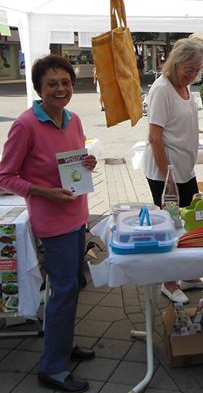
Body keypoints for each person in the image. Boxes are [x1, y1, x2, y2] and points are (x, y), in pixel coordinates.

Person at [0, 55, 97, 393]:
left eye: (65, 82)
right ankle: (52, 369)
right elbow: (6, 176)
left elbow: (77, 162)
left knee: (74, 285)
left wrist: (89, 161)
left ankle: (63, 346)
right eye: (52, 83)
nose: (60, 89)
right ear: (39, 88)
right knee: (63, 289)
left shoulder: (73, 119)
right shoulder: (25, 124)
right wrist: (43, 192)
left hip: (78, 214)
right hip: (51, 219)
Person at [144, 38, 203, 304]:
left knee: (190, 224)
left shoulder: (185, 88)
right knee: (171, 228)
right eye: (189, 69)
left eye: (197, 69)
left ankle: (189, 275)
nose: (193, 74)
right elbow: (154, 137)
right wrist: (168, 178)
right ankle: (169, 282)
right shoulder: (162, 89)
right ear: (175, 63)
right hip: (166, 176)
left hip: (185, 170)